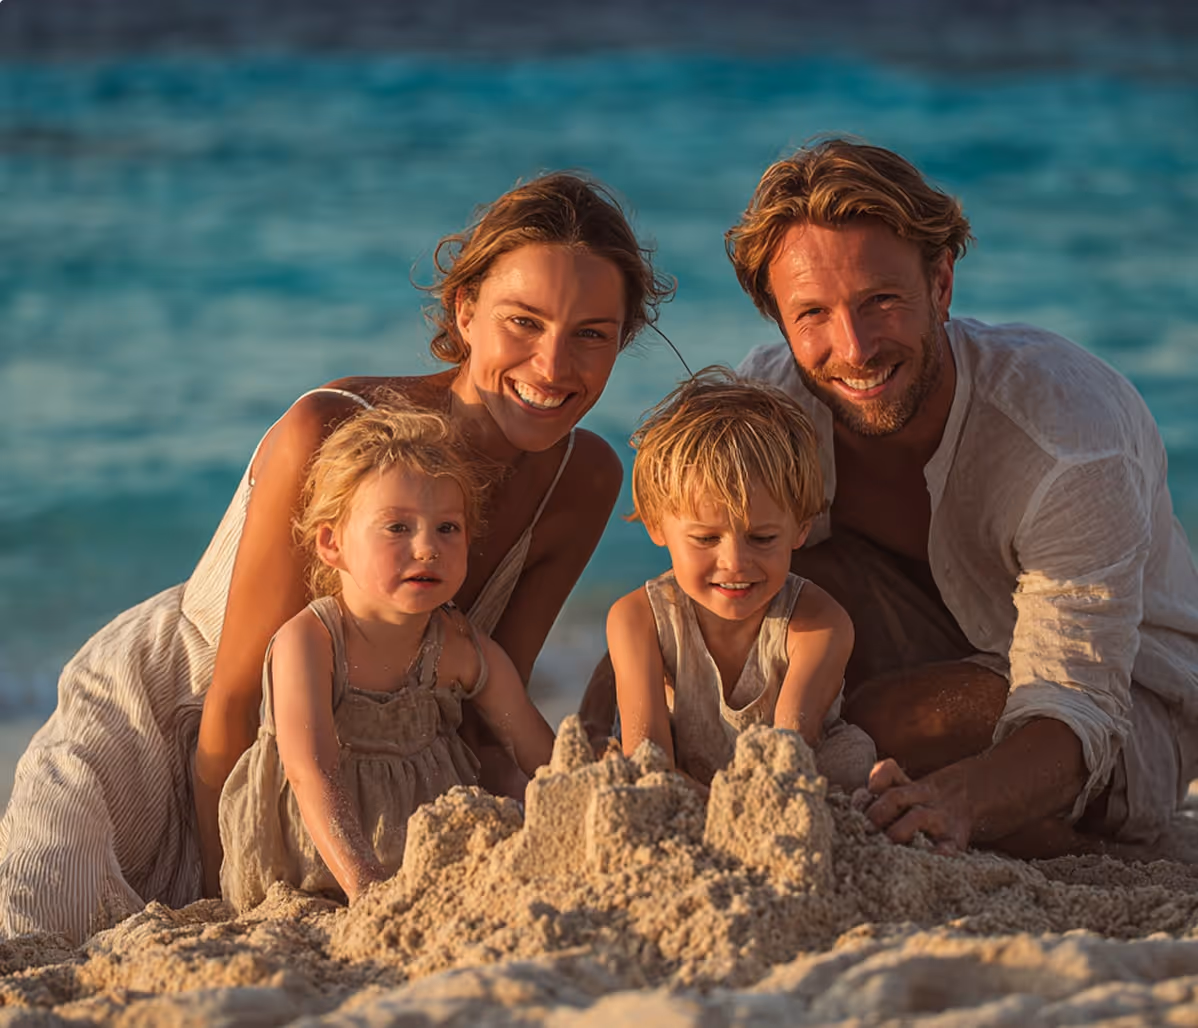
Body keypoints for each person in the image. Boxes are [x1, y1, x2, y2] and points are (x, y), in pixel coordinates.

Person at [0, 171, 673, 943]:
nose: (554, 366)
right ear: (465, 311)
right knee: (35, 935)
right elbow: (233, 703)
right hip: (172, 725)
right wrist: (232, 891)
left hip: (370, 772)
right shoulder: (328, 430)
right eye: (523, 321)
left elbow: (488, 712)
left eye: (591, 333)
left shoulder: (582, 477)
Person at [720, 137, 1198, 857]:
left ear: (941, 283)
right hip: (935, 645)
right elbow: (689, 598)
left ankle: (1033, 827)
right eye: (812, 314)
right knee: (740, 583)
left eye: (881, 300)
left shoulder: (1068, 435)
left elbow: (1078, 707)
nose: (852, 348)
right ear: (779, 318)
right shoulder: (776, 402)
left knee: (872, 721)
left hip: (1126, 707)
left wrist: (960, 803)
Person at [219, 402, 554, 911]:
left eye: (448, 528)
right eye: (397, 528)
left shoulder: (458, 649)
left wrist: (591, 790)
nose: (427, 549)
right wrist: (365, 883)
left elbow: (535, 746)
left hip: (425, 868)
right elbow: (311, 769)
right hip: (313, 868)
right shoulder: (312, 642)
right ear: (332, 543)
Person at [606, 367, 876, 792]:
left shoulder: (819, 624)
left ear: (801, 528)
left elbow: (788, 753)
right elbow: (646, 760)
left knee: (852, 757)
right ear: (657, 526)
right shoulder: (637, 619)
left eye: (762, 537)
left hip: (786, 779)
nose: (734, 561)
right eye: (705, 538)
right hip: (683, 776)